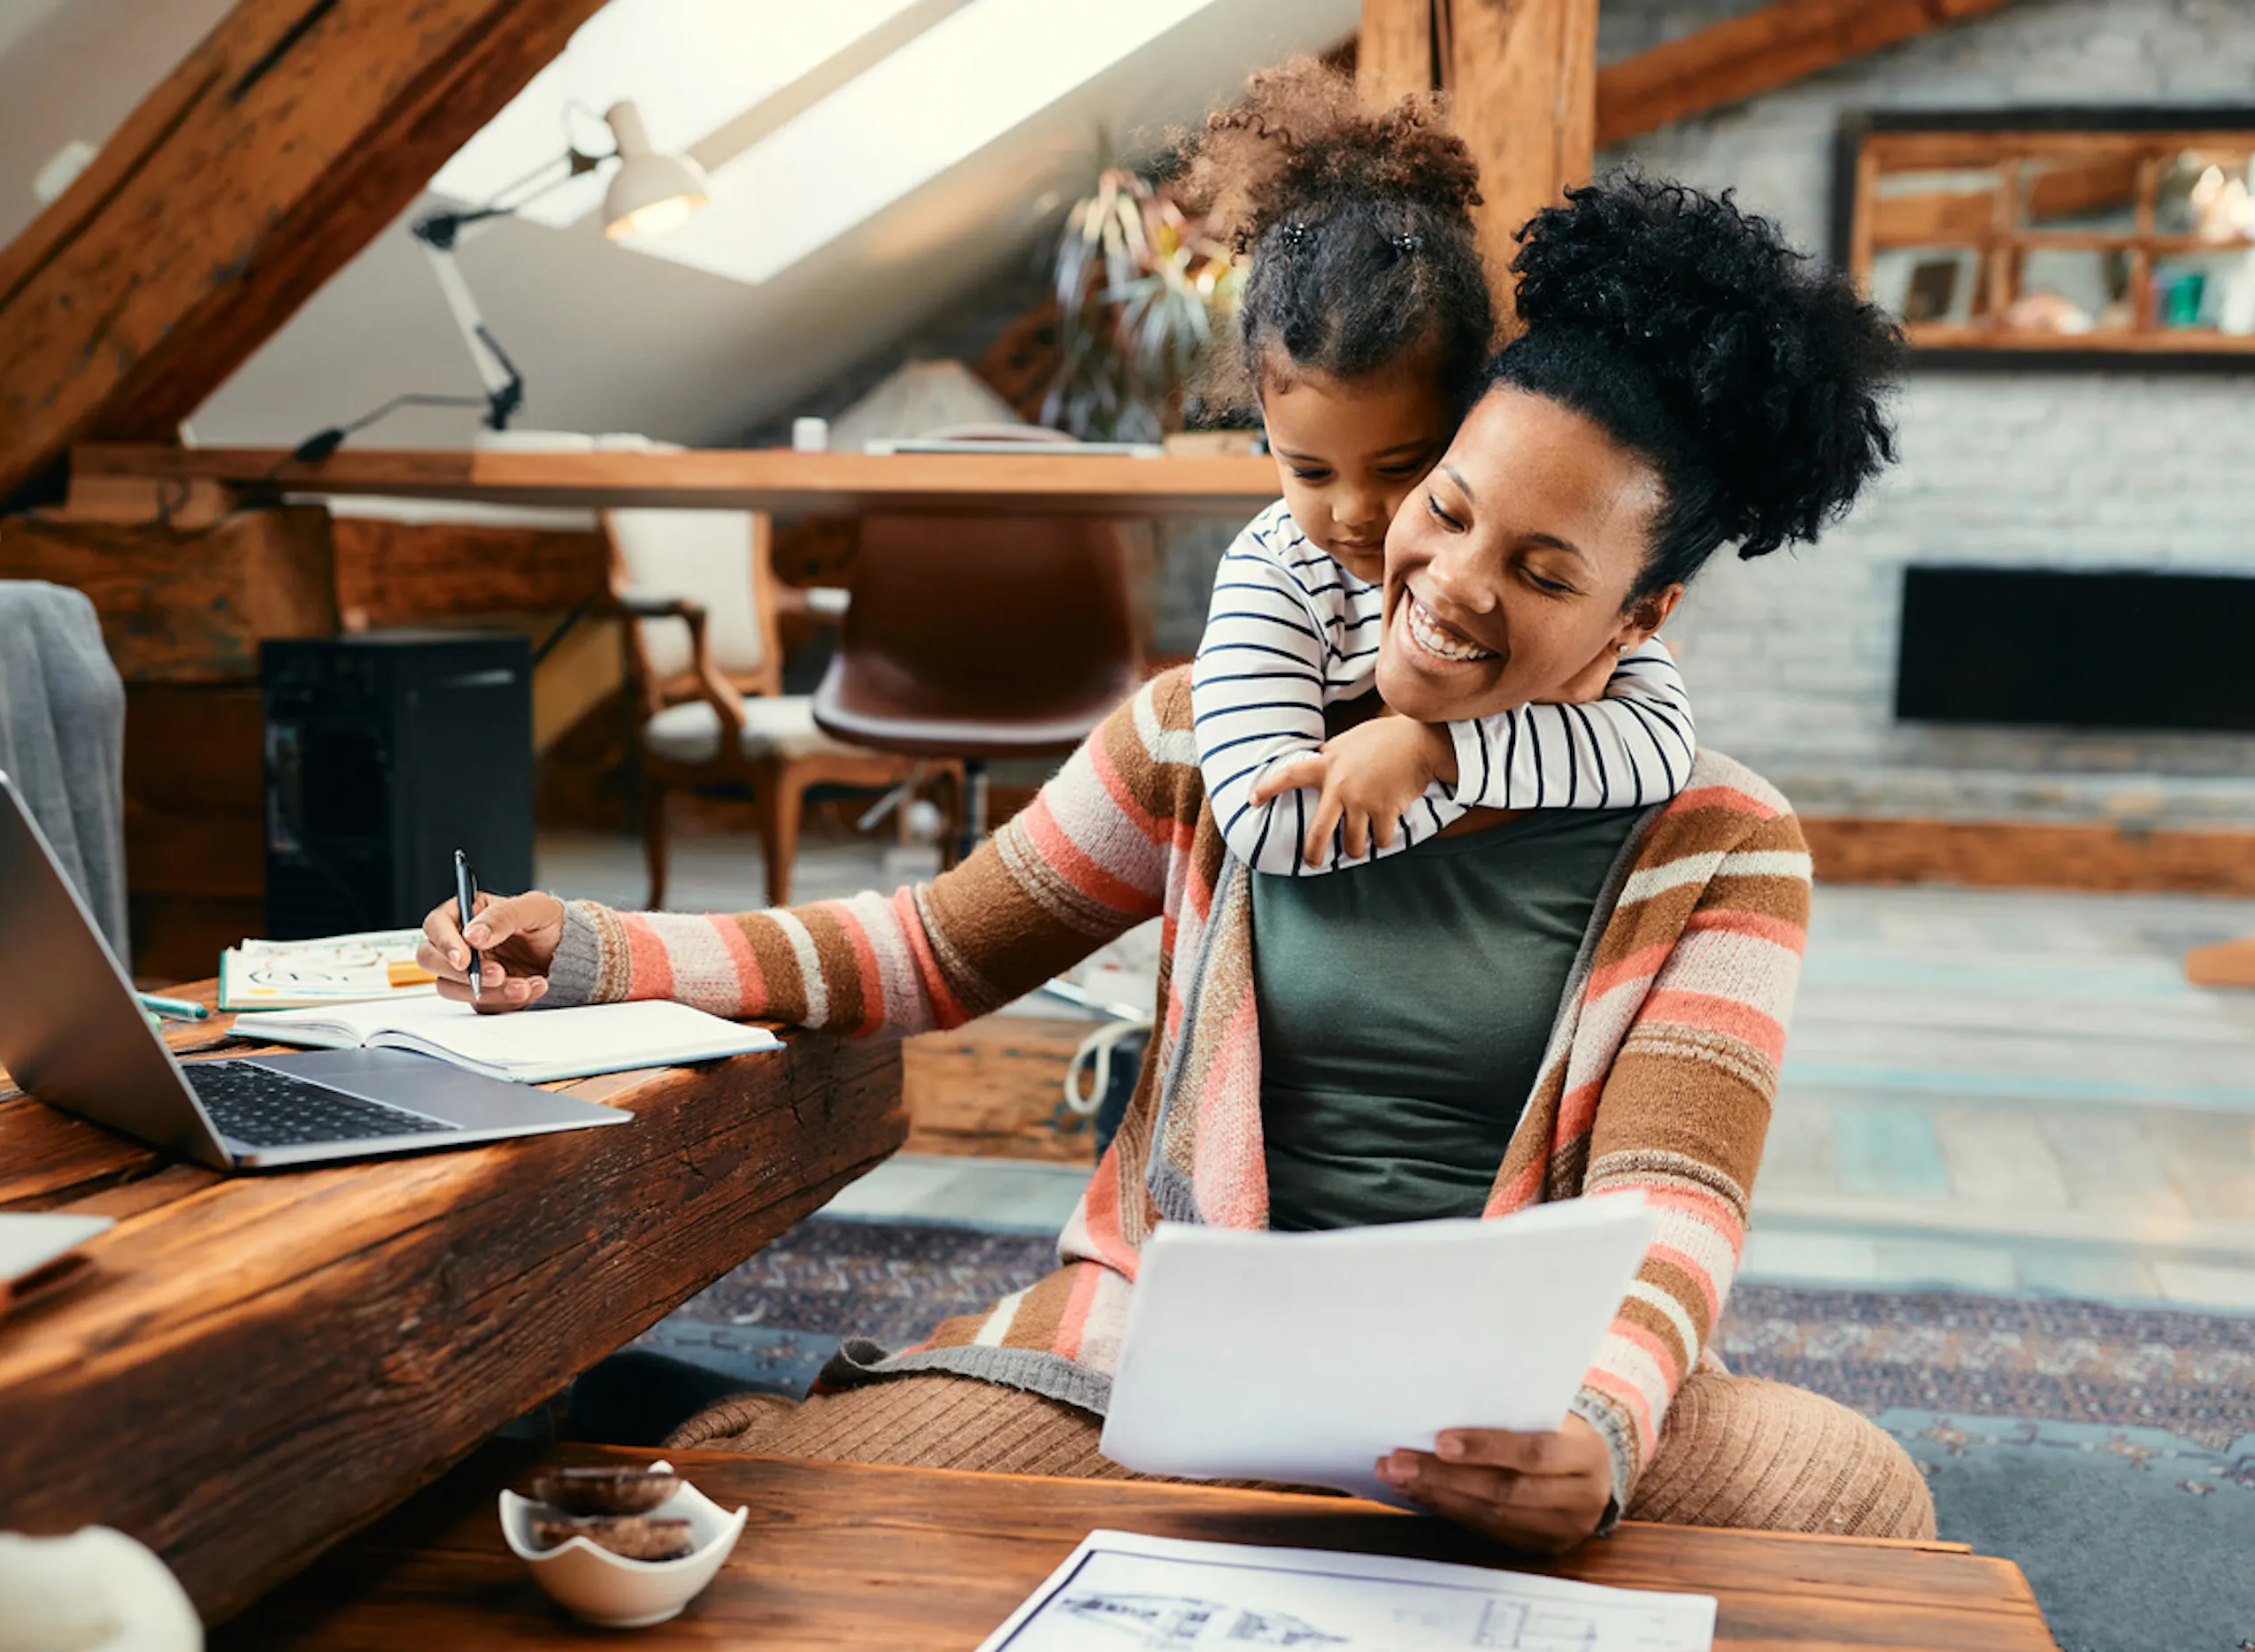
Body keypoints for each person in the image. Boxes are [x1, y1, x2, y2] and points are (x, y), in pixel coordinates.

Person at [419, 172, 1919, 1553]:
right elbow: (929, 947)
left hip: (1508, 1389)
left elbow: (1674, 1203)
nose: (1452, 582)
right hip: (1173, 1354)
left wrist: (1599, 1426)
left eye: (1542, 570)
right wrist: (605, 950)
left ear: (1641, 615)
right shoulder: (1211, 739)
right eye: (1448, 507)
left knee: (1862, 1503)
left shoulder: (1722, 842)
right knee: (793, 1518)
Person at [1180, 60, 1695, 875]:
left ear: (1467, 425)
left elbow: (1660, 747)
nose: (1354, 511)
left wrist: (1433, 754)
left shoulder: (1568, 606)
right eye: (1308, 472)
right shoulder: (1274, 577)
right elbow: (1271, 822)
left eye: (1402, 468)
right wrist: (1460, 754)